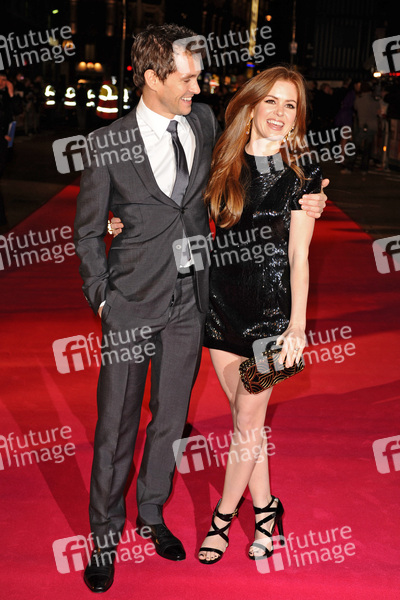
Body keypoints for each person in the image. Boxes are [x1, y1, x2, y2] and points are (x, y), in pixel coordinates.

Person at [75, 24, 328, 593]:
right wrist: (103, 297)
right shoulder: (106, 143)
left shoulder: (205, 123)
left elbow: (259, 169)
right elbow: (88, 231)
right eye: (187, 78)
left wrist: (311, 195)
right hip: (131, 303)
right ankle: (104, 537)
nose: (198, 86)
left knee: (170, 420)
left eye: (198, 76)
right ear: (153, 77)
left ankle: (152, 513)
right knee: (115, 424)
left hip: (195, 304)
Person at [198, 66, 321, 563]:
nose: (279, 112)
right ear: (250, 106)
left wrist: (297, 325)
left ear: (297, 118)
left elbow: (299, 256)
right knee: (246, 423)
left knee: (247, 418)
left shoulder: (302, 178)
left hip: (272, 319)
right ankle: (268, 509)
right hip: (219, 309)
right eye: (271, 100)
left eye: (290, 105)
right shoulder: (221, 163)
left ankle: (222, 520)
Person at [0, 72, 14, 228]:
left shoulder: (5, 96)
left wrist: (11, 94)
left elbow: (14, 112)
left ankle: (2, 218)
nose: (4, 82)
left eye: (4, 80)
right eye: (1, 80)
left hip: (3, 142)